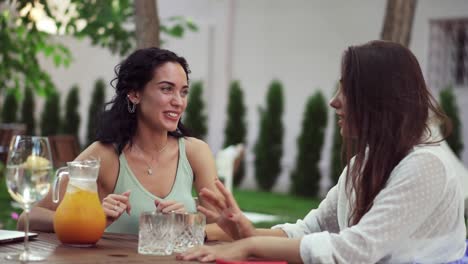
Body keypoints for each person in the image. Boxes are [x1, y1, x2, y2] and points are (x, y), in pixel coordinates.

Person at [178, 40, 467, 263]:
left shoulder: (426, 165)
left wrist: (250, 245)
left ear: (378, 99)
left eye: (346, 90)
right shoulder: (363, 163)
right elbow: (310, 229)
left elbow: (356, 251)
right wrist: (245, 230)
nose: (333, 102)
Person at [18, 47, 221, 235]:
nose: (178, 101)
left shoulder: (195, 152)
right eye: (167, 89)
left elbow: (227, 226)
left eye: (183, 91)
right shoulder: (104, 155)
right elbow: (28, 218)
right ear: (134, 94)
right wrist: (91, 218)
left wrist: (189, 224)